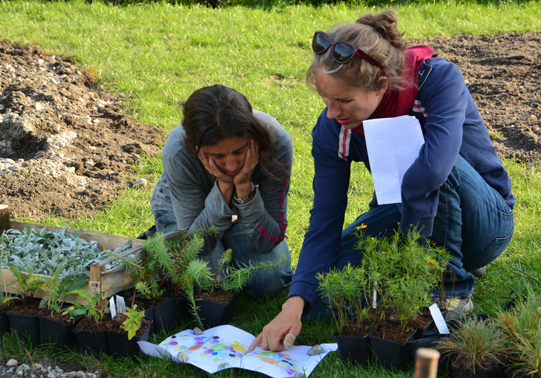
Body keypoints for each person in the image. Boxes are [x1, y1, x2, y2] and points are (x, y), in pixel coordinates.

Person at [248, 10, 514, 352]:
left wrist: (411, 248)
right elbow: (325, 217)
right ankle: (420, 272)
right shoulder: (334, 128)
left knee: (430, 164)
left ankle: (452, 291)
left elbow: (433, 171)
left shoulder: (438, 80)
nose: (331, 112)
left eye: (342, 100)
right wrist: (295, 302)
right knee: (327, 288)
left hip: (485, 222)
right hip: (407, 213)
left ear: (382, 85)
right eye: (325, 100)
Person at [148, 84, 294, 298]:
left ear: (252, 136)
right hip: (183, 212)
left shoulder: (277, 142)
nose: (232, 165)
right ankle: (164, 236)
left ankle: (226, 241)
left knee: (270, 281)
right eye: (217, 157)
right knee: (212, 282)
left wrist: (243, 188)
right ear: (196, 147)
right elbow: (197, 245)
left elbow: (269, 239)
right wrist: (224, 186)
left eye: (240, 151)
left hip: (242, 210)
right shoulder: (177, 152)